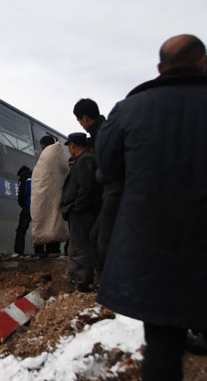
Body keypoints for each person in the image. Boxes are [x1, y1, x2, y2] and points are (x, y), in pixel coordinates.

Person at [96, 34, 207, 380]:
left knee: (162, 345)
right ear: (203, 62)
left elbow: (109, 168)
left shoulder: (128, 110)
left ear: (160, 68)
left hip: (154, 245)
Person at [73, 98, 122, 279]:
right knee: (99, 237)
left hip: (114, 191)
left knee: (100, 239)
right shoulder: (100, 132)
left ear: (85, 118)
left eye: (79, 120)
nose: (80, 124)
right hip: (111, 191)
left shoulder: (103, 133)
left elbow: (109, 164)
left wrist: (99, 175)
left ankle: (109, 280)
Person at [59, 132, 101, 292]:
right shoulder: (85, 160)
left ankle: (83, 283)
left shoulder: (85, 161)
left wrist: (76, 207)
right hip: (82, 211)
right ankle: (81, 280)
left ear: (72, 145)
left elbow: (86, 188)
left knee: (80, 248)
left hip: (82, 213)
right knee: (79, 247)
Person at [30, 135, 69, 257]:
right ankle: (54, 248)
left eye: (42, 147)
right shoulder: (61, 155)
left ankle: (49, 248)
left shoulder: (48, 155)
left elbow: (40, 174)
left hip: (47, 194)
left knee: (46, 217)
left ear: (44, 146)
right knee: (55, 219)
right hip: (58, 195)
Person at [13, 165, 32, 255]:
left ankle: (19, 251)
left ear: (22, 172)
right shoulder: (36, 175)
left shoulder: (24, 178)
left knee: (21, 230)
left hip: (27, 207)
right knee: (38, 229)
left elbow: (22, 194)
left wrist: (22, 204)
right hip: (37, 207)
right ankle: (40, 251)